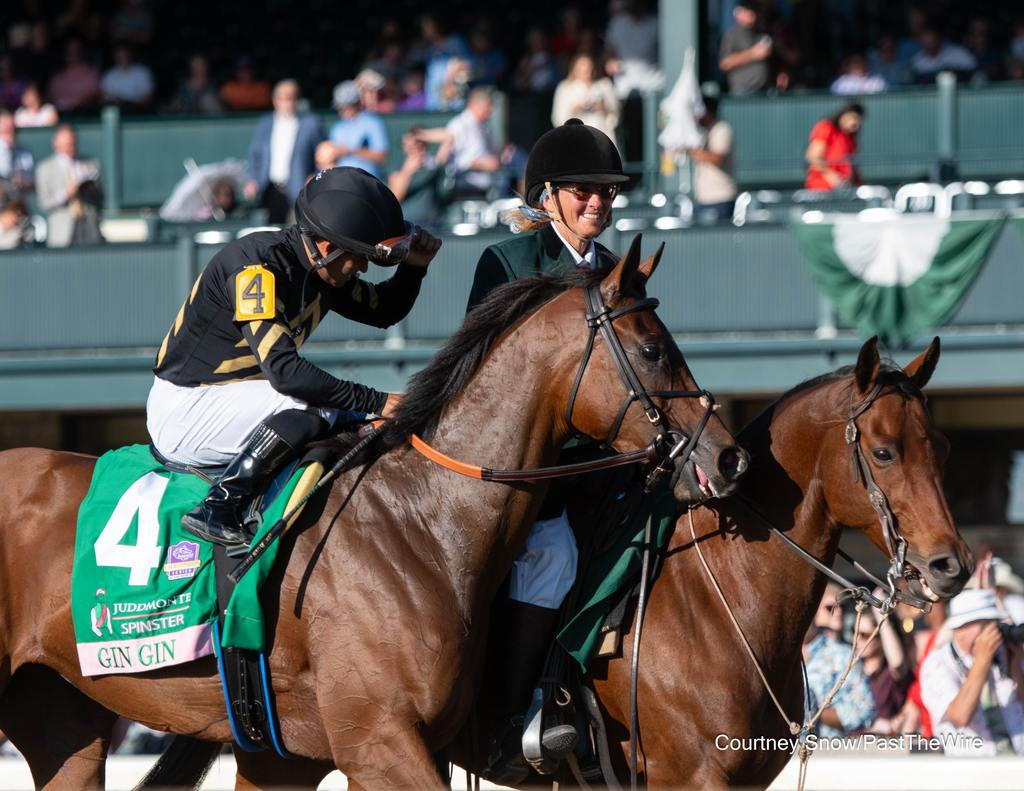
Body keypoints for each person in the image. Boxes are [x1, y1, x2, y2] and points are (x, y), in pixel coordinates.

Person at [147, 167, 442, 547]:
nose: (364, 267)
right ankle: (219, 506)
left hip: (235, 399)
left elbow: (383, 311)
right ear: (324, 245)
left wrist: (414, 269)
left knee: (339, 412)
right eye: (358, 256)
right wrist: (379, 400)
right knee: (314, 405)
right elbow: (286, 374)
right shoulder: (255, 268)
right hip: (185, 407)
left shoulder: (323, 268)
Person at [465, 118, 629, 783]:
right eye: (585, 190)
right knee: (553, 551)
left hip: (611, 457)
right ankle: (521, 705)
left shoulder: (619, 269)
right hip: (537, 461)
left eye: (608, 192)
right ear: (550, 195)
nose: (598, 202)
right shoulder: (508, 263)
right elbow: (488, 377)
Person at [919, 588, 1024, 755]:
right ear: (960, 630)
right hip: (971, 771)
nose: (994, 632)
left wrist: (1016, 666)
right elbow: (960, 716)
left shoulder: (1004, 653)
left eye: (995, 623)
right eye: (986, 625)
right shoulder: (937, 663)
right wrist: (982, 661)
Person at [802, 584, 877, 739]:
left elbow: (863, 710)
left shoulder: (843, 655)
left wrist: (813, 712)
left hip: (826, 752)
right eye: (830, 608)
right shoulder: (776, 658)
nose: (838, 612)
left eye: (842, 607)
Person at [416, 87, 520, 199]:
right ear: (473, 105)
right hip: (466, 191)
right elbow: (451, 163)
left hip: (489, 188)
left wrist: (501, 156)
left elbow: (493, 153)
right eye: (486, 106)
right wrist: (481, 164)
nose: (490, 110)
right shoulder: (458, 125)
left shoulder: (485, 127)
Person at [243, 79, 323, 224]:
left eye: (292, 98)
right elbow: (255, 155)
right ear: (275, 100)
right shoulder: (265, 124)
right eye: (283, 98)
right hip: (271, 190)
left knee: (295, 234)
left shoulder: (311, 124)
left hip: (298, 191)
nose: (288, 103)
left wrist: (313, 177)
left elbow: (322, 156)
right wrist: (252, 180)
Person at [35, 124, 102, 247]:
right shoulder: (45, 168)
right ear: (56, 144)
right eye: (66, 145)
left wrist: (90, 190)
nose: (70, 148)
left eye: (73, 144)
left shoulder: (90, 164)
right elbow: (44, 203)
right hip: (63, 231)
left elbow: (101, 198)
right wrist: (65, 194)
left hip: (88, 226)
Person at [316, 80, 388, 179]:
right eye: (340, 107)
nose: (343, 110)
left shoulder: (372, 123)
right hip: (339, 181)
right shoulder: (337, 127)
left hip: (366, 181)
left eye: (347, 106)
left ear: (357, 103)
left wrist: (349, 151)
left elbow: (381, 157)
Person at [685, 94, 736, 222]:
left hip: (721, 197)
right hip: (703, 198)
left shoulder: (722, 129)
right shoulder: (701, 132)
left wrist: (693, 151)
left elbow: (717, 158)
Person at [551, 53, 620, 146]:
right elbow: (558, 119)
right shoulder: (564, 88)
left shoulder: (604, 85)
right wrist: (575, 109)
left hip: (603, 137)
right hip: (576, 139)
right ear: (575, 69)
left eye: (589, 66)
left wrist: (603, 108)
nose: (586, 70)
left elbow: (615, 115)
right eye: (582, 66)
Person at [804, 103, 864, 192]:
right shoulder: (827, 127)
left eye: (858, 119)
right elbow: (813, 157)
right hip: (822, 189)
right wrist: (832, 176)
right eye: (852, 117)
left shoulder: (850, 139)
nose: (855, 123)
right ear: (843, 115)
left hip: (845, 190)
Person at [719, 1, 771, 96]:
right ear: (738, 13)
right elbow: (724, 63)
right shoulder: (732, 34)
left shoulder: (760, 32)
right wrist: (752, 54)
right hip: (743, 91)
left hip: (764, 90)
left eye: (753, 10)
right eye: (747, 10)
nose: (751, 13)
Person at [47, 38, 101, 113]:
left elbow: (93, 96)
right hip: (58, 117)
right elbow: (50, 99)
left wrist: (72, 105)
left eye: (76, 51)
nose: (73, 54)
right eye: (69, 51)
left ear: (83, 52)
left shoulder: (92, 74)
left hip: (83, 116)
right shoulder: (57, 77)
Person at [100, 45, 154, 111]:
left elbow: (148, 98)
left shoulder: (143, 72)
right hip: (115, 110)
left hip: (138, 110)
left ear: (131, 55)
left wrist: (126, 102)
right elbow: (104, 97)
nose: (123, 58)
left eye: (125, 55)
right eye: (120, 56)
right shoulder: (110, 74)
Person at [0, 110, 34, 195]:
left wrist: (22, 179)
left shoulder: (24, 152)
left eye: (12, 127)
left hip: (17, 200)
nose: (10, 130)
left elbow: (31, 179)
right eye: (5, 127)